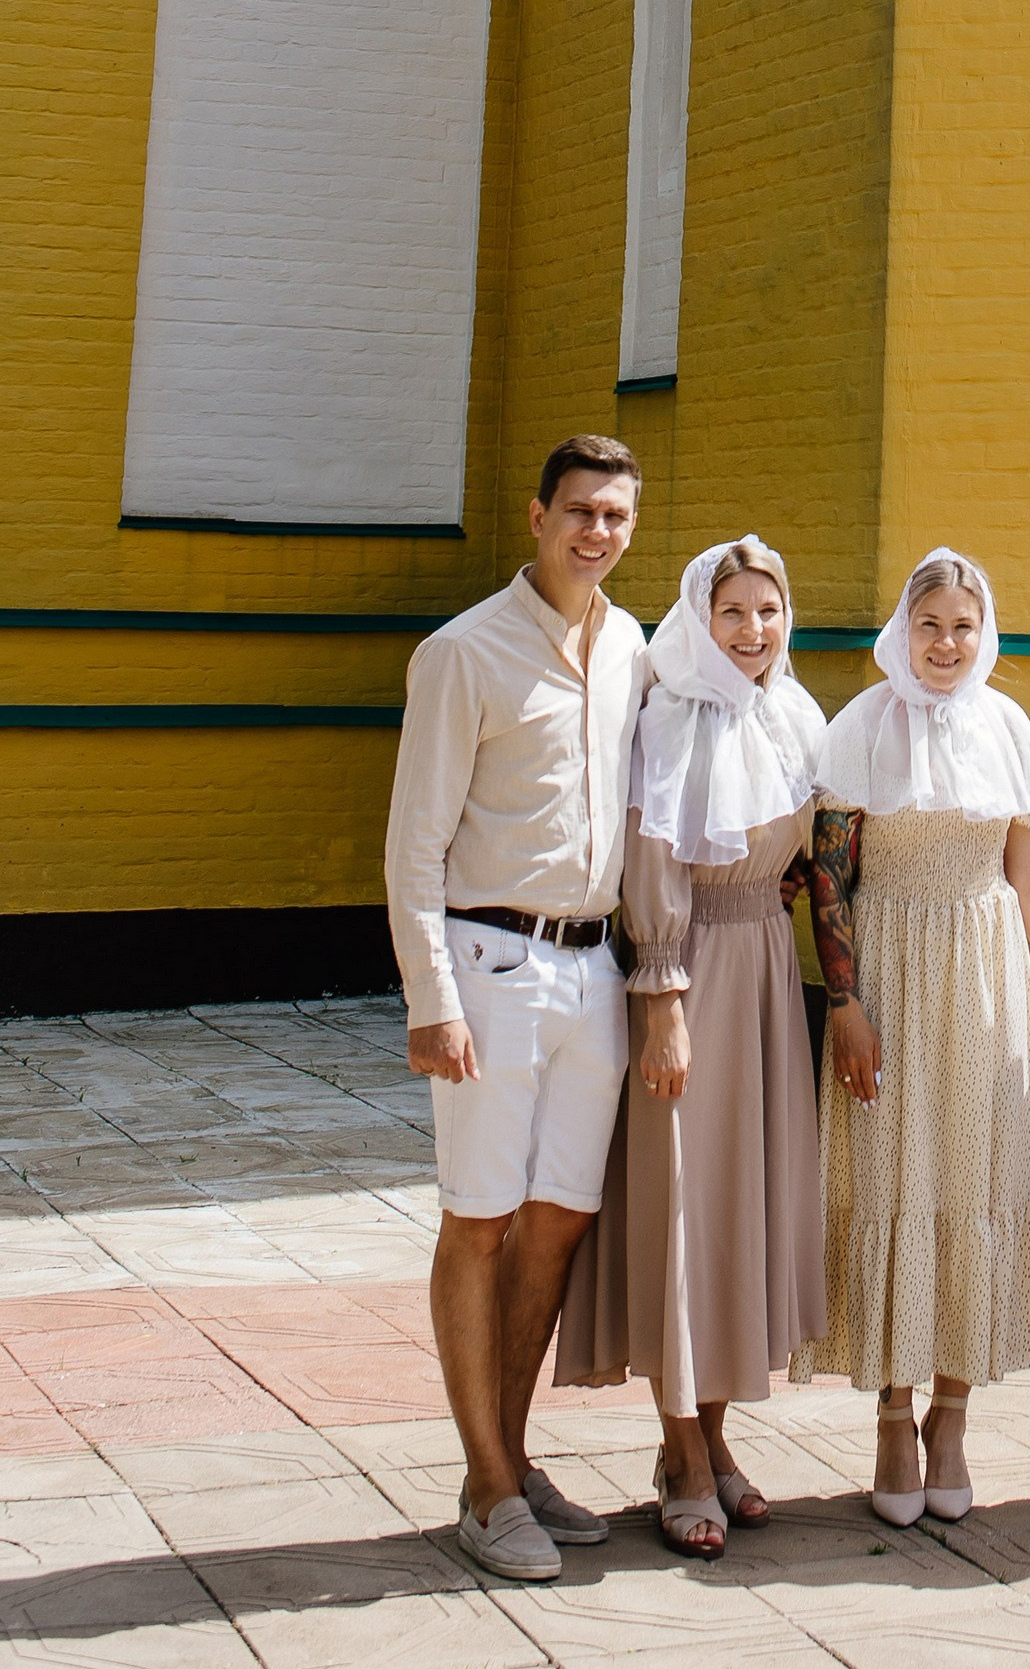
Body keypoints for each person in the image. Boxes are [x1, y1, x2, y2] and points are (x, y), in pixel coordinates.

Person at [383, 433, 650, 1583]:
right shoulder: (463, 653)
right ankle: (487, 1488)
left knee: (557, 1220)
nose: (598, 532)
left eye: (617, 516)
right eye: (580, 511)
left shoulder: (632, 646)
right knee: (479, 1219)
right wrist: (430, 998)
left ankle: (510, 1457)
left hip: (595, 972)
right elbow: (414, 844)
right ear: (539, 517)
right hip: (489, 966)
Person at [800, 546, 1030, 1524]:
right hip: (887, 977)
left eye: (962, 627)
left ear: (985, 634)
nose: (945, 643)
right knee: (894, 1177)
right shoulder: (860, 727)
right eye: (929, 625)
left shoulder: (1007, 727)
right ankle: (894, 1415)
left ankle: (952, 1417)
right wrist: (845, 1003)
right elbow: (828, 879)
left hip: (984, 981)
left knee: (976, 1177)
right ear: (905, 629)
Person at [553, 535, 828, 1554]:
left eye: (768, 609)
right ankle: (679, 1454)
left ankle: (714, 1439)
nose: (753, 630)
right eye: (733, 612)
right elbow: (654, 860)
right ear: (700, 619)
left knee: (737, 1206)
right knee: (683, 1203)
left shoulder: (795, 714)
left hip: (764, 970)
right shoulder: (670, 715)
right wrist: (662, 993)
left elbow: (804, 846)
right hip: (692, 972)